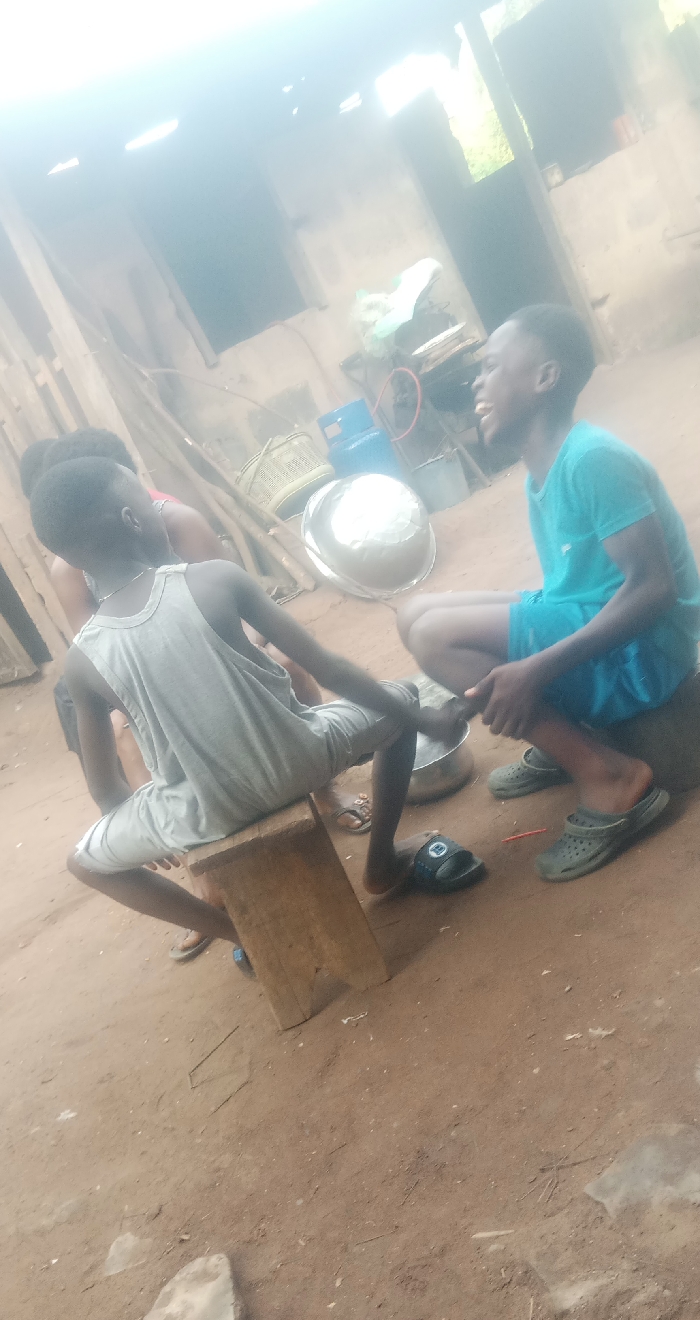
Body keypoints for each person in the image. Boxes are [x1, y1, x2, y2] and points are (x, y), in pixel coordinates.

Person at [30, 457, 484, 972]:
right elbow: (331, 670)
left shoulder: (83, 659)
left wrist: (142, 826)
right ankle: (381, 862)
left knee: (84, 864)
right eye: (149, 504)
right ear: (133, 520)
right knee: (400, 698)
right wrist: (426, 721)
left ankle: (246, 935)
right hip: (304, 761)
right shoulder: (214, 581)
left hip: (201, 813)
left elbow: (105, 790)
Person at [398, 303, 700, 882]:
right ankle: (562, 731)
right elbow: (573, 586)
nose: (477, 382)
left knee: (436, 637)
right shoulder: (544, 471)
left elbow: (654, 588)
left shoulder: (593, 459)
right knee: (414, 615)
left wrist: (536, 669)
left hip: (649, 655)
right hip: (598, 620)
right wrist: (474, 697)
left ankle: (610, 777)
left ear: (545, 378)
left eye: (491, 366)